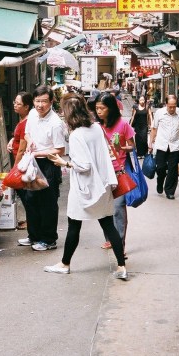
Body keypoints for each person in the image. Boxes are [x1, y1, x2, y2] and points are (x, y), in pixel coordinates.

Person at [43, 94, 128, 280]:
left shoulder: (76, 136)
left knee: (74, 225)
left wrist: (63, 163)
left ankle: (65, 263)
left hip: (84, 189)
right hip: (103, 185)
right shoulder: (97, 128)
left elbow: (84, 166)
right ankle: (121, 266)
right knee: (108, 225)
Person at [20, 86, 67, 251]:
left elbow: (60, 150)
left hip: (49, 164)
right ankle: (33, 236)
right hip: (33, 162)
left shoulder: (55, 123)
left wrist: (39, 152)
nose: (40, 105)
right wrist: (30, 140)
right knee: (31, 199)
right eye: (37, 101)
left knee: (48, 202)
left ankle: (49, 239)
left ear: (51, 102)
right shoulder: (32, 114)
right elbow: (26, 133)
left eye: (44, 101)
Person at [95, 92, 134, 255]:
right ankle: (110, 238)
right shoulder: (95, 127)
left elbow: (132, 146)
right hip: (101, 172)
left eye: (102, 108)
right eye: (96, 108)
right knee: (103, 208)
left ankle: (120, 245)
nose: (99, 111)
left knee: (118, 208)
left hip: (118, 170)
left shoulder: (123, 124)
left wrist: (121, 148)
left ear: (110, 109)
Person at [149, 94, 179, 200]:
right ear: (166, 104)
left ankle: (170, 191)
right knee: (160, 168)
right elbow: (154, 128)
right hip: (161, 144)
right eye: (170, 106)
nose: (172, 108)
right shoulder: (159, 113)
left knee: (173, 169)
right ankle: (160, 182)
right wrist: (150, 143)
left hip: (175, 145)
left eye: (174, 106)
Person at [6, 91, 33, 231]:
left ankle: (31, 223)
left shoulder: (26, 123)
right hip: (21, 163)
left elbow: (22, 149)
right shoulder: (22, 120)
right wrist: (12, 140)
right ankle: (30, 221)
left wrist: (15, 169)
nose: (15, 106)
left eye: (18, 104)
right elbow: (18, 139)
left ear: (27, 106)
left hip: (22, 165)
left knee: (26, 196)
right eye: (14, 103)